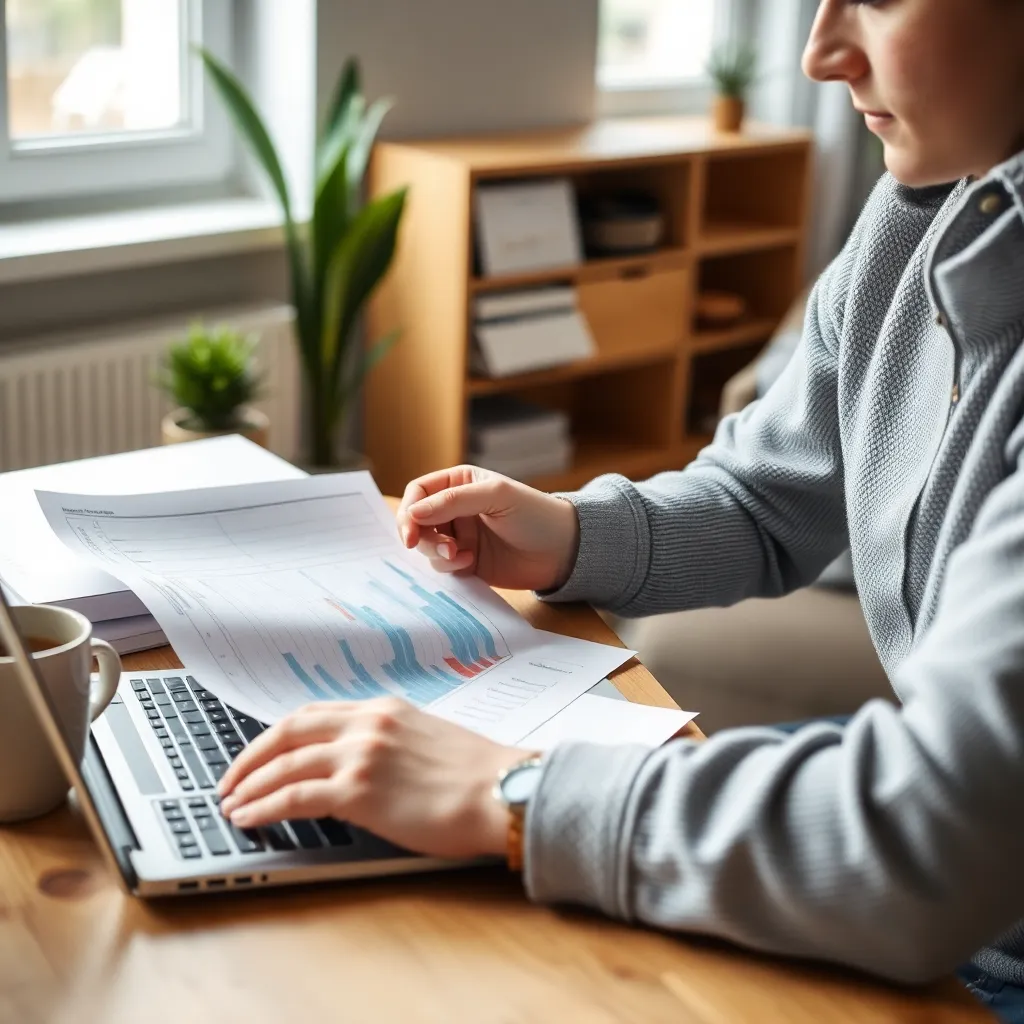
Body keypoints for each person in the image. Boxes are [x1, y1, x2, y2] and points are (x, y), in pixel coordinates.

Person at [218, 0, 1024, 1015]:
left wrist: (499, 792)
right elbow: (764, 494)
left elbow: (932, 842)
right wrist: (567, 534)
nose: (821, 54)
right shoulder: (926, 208)